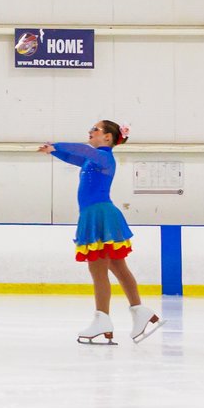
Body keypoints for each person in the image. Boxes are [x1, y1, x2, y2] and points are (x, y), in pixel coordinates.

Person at [39, 121, 158, 345]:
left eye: (96, 129)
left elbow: (82, 150)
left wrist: (56, 144)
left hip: (99, 215)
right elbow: (75, 157)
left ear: (108, 138)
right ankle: (140, 311)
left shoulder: (105, 157)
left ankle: (102, 319)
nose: (90, 132)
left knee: (99, 268)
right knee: (118, 266)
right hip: (98, 214)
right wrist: (54, 152)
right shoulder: (92, 160)